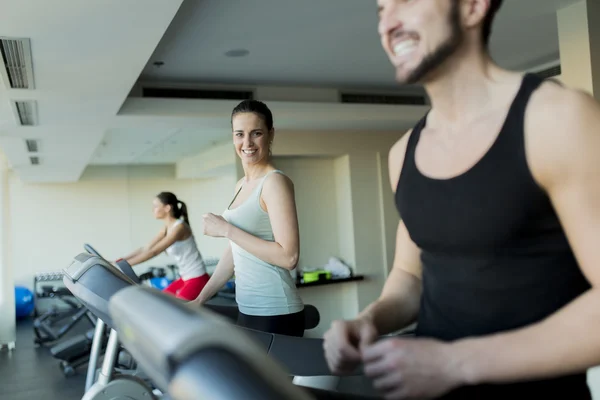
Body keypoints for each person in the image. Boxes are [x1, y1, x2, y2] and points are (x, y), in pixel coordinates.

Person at [323, 0, 600, 398]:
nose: (388, 22)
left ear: (473, 7)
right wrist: (370, 320)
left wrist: (456, 363)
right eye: (381, 9)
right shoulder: (403, 155)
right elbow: (409, 277)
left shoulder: (557, 119)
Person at [189, 99, 305, 337]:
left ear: (271, 135)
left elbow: (289, 256)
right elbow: (235, 251)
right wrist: (200, 298)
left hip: (275, 311)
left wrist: (226, 230)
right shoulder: (241, 185)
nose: (247, 143)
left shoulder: (275, 183)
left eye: (256, 133)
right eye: (239, 134)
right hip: (248, 309)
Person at [119, 192, 210, 301]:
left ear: (167, 208)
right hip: (185, 277)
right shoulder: (167, 228)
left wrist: (123, 266)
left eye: (156, 206)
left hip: (197, 277)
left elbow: (154, 252)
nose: (153, 209)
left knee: (174, 310)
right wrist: (119, 261)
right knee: (161, 303)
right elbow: (146, 248)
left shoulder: (179, 227)